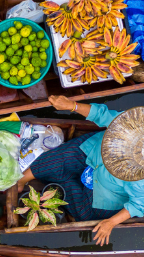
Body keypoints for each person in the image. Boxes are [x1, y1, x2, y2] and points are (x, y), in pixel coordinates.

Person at [15, 96, 144, 246]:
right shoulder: (135, 124)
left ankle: (59, 182)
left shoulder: (140, 180)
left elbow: (139, 204)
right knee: (62, 157)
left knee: (84, 214)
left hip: (104, 193)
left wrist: (111, 222)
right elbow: (102, 114)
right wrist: (72, 105)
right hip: (91, 151)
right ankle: (23, 178)